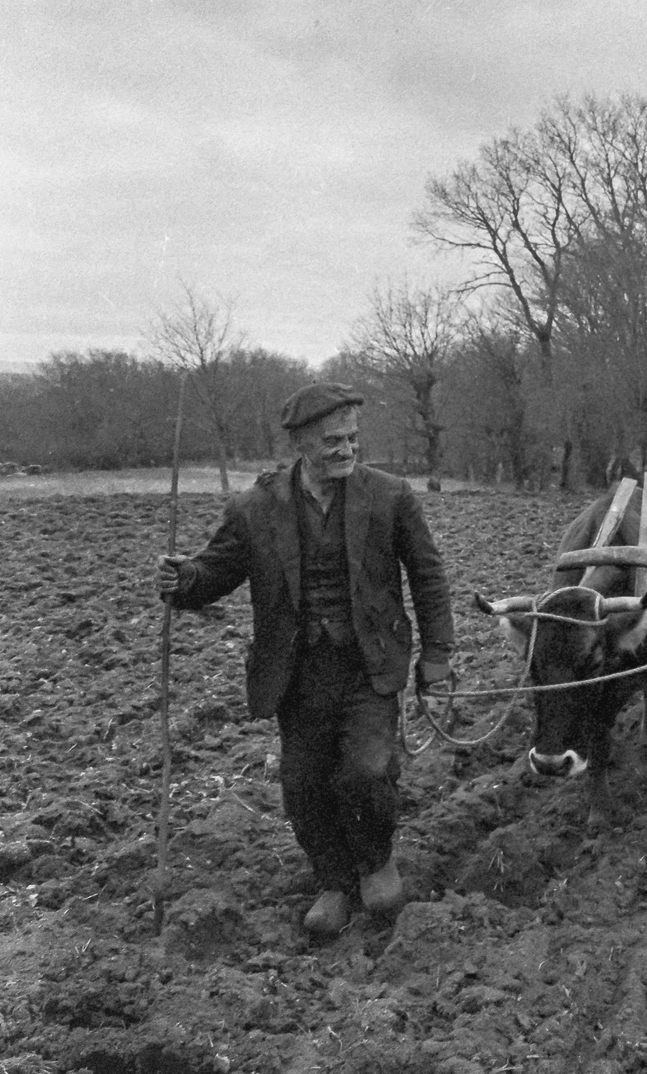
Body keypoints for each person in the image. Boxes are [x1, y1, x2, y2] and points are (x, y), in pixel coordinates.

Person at [156, 382, 455, 937]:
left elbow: (428, 576)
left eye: (352, 438)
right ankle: (334, 881)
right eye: (332, 441)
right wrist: (183, 579)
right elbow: (214, 573)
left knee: (367, 772)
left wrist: (437, 653)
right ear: (300, 442)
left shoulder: (390, 497)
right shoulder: (254, 509)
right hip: (297, 671)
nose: (346, 449)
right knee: (304, 782)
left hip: (369, 663)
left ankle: (374, 861)